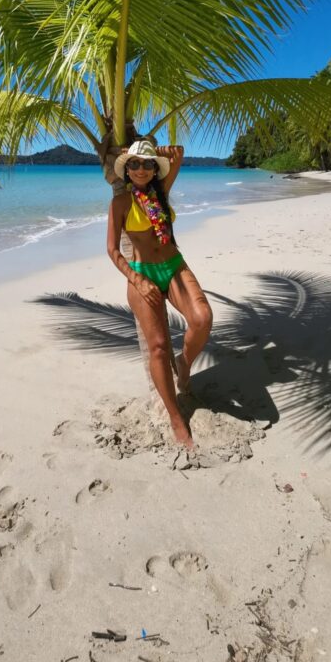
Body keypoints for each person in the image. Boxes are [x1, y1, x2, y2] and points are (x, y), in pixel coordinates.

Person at [107, 138, 213, 447]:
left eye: (147, 164)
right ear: (127, 170)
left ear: (155, 169)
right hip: (143, 276)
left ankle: (184, 364)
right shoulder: (121, 202)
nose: (141, 169)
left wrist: (158, 152)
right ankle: (176, 418)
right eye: (135, 164)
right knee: (157, 348)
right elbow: (112, 250)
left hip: (174, 266)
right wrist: (137, 280)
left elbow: (178, 153)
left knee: (202, 318)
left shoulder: (160, 192)